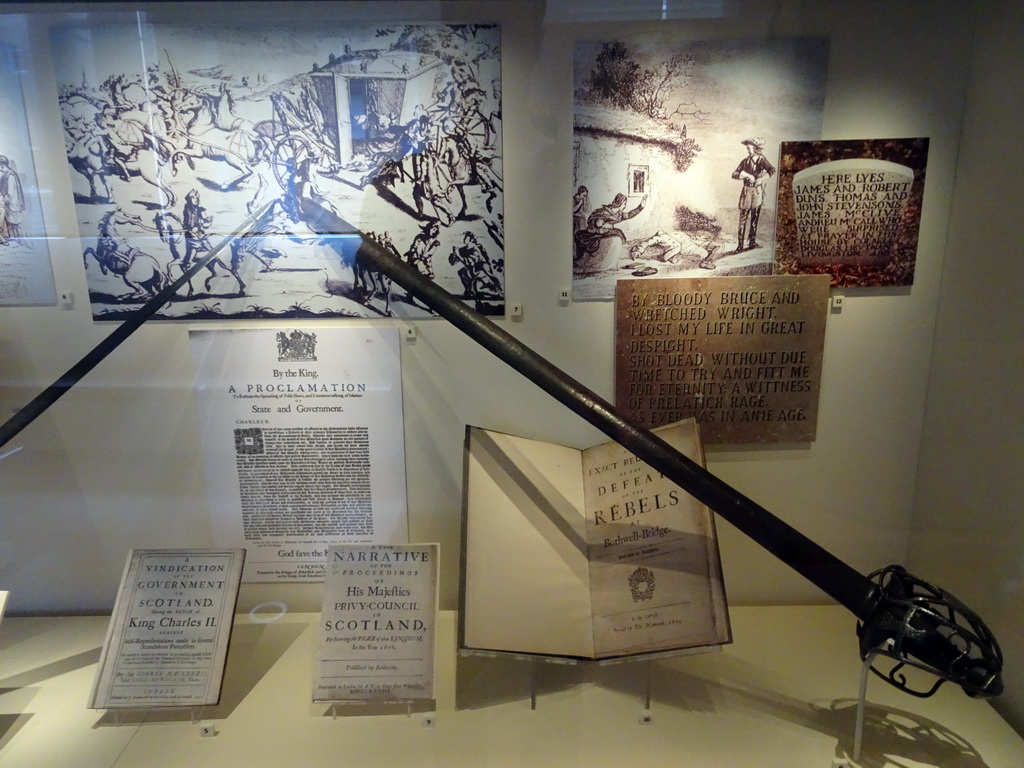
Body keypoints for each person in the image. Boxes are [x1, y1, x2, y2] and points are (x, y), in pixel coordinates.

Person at [731, 137, 775, 252]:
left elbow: (771, 170)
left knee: (755, 218)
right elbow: (734, 174)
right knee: (743, 218)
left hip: (757, 191)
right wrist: (744, 174)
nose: (748, 149)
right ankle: (740, 246)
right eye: (747, 147)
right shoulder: (745, 161)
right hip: (746, 191)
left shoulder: (762, 159)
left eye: (749, 147)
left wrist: (761, 179)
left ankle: (752, 242)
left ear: (755, 148)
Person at [0, 155, 26, 242]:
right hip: (8, 204)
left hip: (12, 205)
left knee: (15, 226)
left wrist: (3, 200)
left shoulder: (10, 175)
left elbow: (10, 193)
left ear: (2, 164)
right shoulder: (5, 174)